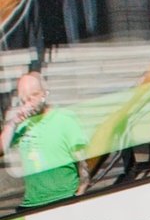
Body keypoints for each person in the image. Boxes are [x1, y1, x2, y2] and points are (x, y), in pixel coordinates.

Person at [2, 69, 88, 209]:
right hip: (33, 203)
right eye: (24, 98)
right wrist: (12, 124)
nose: (29, 101)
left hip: (64, 197)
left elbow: (82, 160)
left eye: (34, 95)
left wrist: (80, 192)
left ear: (44, 93)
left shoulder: (64, 119)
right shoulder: (21, 124)